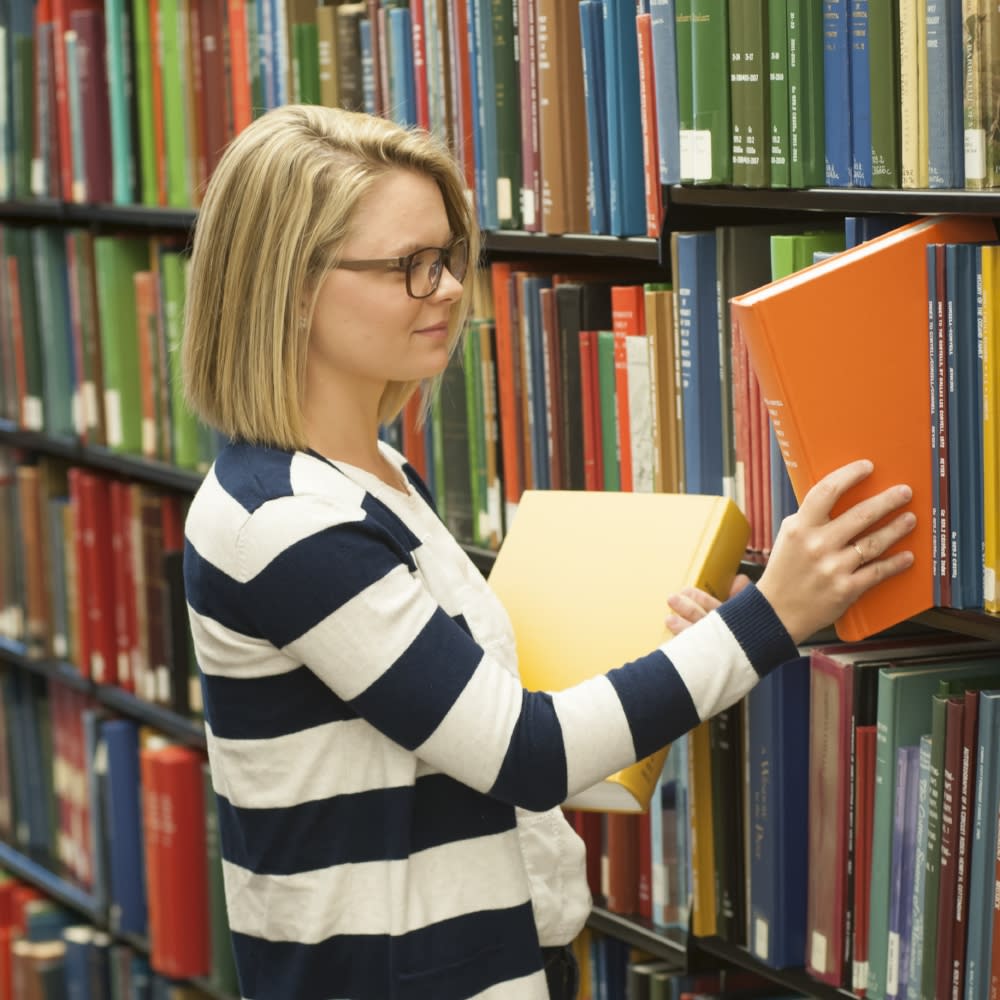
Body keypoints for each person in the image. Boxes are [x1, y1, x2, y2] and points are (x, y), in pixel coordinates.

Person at [180, 103, 917, 1000]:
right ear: (289, 287)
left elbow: (456, 712)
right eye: (410, 265)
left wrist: (683, 647)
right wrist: (769, 622)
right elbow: (523, 753)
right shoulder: (286, 520)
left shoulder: (371, 473)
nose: (450, 288)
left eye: (450, 255)